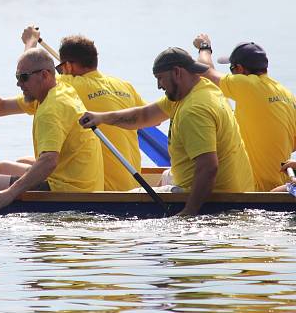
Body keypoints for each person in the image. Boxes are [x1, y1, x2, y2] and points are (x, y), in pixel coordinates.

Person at [79, 47, 254, 216]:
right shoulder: (199, 88)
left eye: (160, 78)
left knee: (121, 204)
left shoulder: (194, 111)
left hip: (218, 194)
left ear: (177, 72)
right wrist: (101, 118)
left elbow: (208, 168)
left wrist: (189, 213)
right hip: (234, 184)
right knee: (165, 175)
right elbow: (144, 115)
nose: (158, 86)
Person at [0, 48, 104, 214]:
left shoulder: (50, 110)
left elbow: (49, 161)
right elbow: (0, 107)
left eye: (24, 77)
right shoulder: (59, 88)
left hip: (69, 189)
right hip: (78, 179)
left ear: (45, 75)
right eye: (17, 77)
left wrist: (9, 194)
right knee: (2, 168)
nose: (19, 83)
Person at [23, 26, 145, 191]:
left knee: (7, 168)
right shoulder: (125, 86)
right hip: (135, 186)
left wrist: (30, 42)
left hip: (103, 189)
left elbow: (29, 76)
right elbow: (153, 121)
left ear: (68, 68)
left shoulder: (67, 86)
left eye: (60, 69)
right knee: (24, 161)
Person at [194, 35, 296, 191]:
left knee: (171, 176)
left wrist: (204, 47)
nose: (231, 75)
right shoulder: (287, 95)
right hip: (282, 184)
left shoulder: (248, 85)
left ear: (240, 69)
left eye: (232, 70)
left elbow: (206, 72)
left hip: (254, 190)